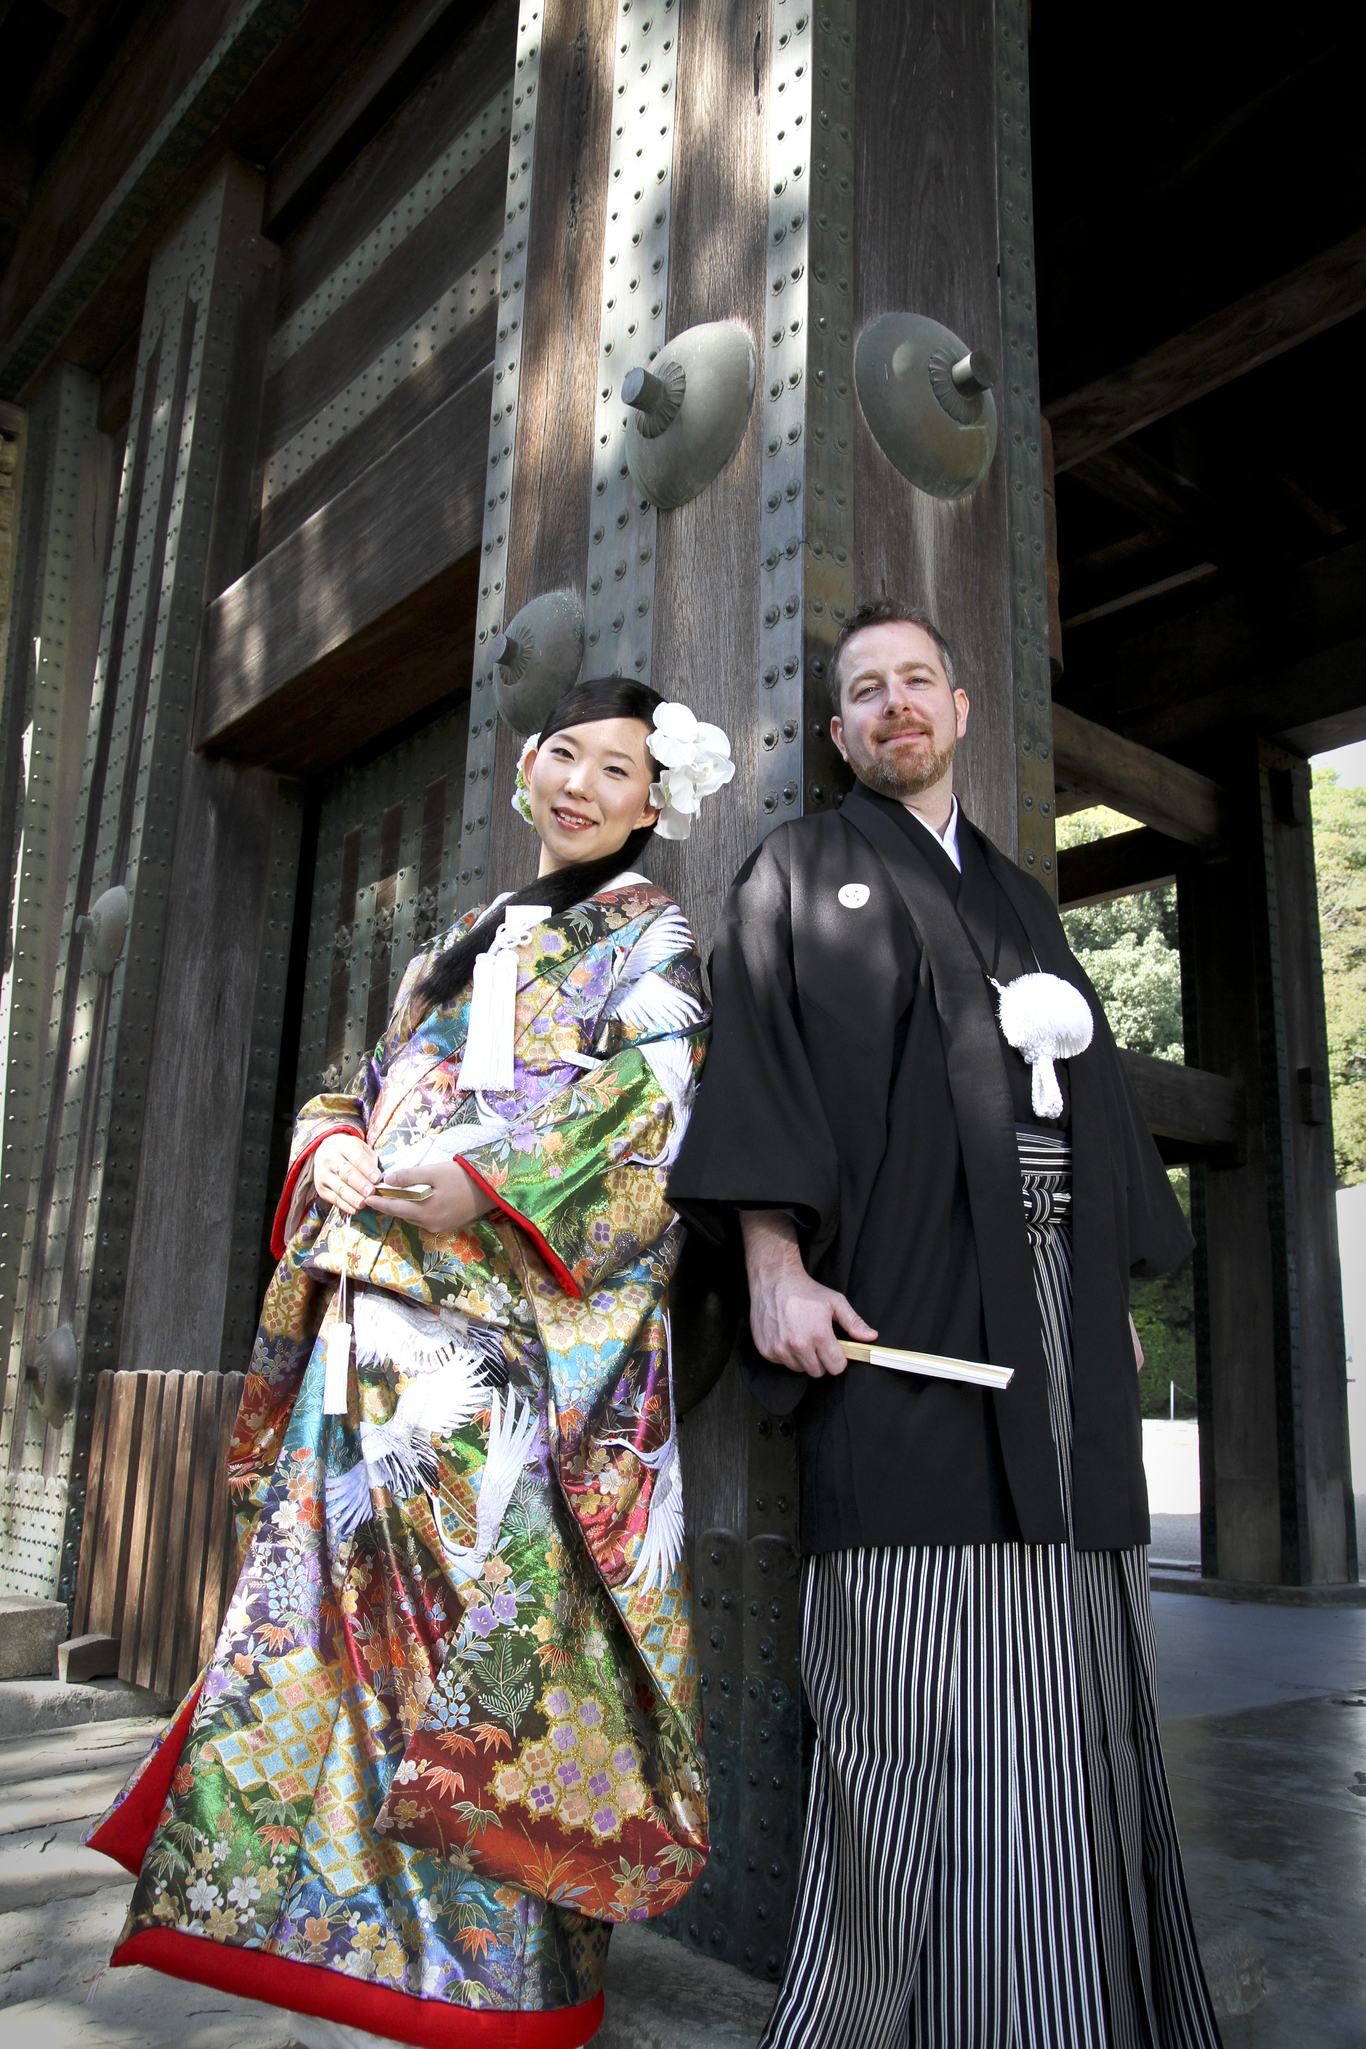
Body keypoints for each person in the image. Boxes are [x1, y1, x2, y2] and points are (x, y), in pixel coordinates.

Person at [88, 677, 735, 2049]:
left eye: (618, 769)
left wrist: (489, 1187)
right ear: (528, 764)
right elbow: (364, 1079)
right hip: (373, 1327)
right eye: (564, 754)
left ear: (652, 802)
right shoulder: (457, 938)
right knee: (351, 1627)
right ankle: (335, 1927)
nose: (580, 785)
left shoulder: (657, 943)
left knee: (486, 1649)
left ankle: (498, 1982)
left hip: (507, 1353)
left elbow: (652, 1111)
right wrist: (329, 1138)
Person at [668, 601, 1222, 2049]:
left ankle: (1081, 2008)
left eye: (918, 680)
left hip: (1055, 1317)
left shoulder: (1024, 899)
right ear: (839, 731)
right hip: (901, 1308)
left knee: (1081, 1671)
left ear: (961, 709)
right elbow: (760, 1069)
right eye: (867, 690)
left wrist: (1104, 1291)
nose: (895, 704)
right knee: (906, 1693)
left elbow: (1092, 1107)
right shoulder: (798, 869)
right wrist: (773, 1263)